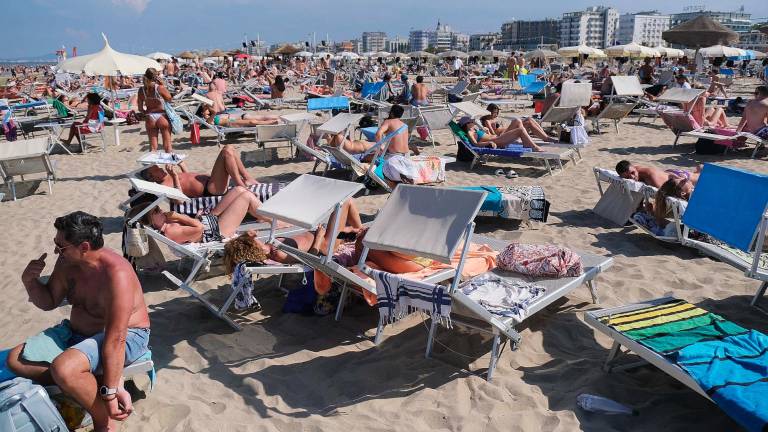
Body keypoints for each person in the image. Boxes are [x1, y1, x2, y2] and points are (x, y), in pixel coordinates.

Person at [7, 212, 151, 432]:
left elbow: (116, 338)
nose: (56, 250)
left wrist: (110, 393)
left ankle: (103, 421)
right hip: (77, 334)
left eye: (61, 246)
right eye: (56, 243)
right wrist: (30, 282)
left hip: (127, 335)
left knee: (64, 369)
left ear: (84, 247)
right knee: (15, 360)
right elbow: (49, 301)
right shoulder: (67, 263)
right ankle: (89, 383)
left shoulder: (117, 274)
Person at [137, 186, 269, 244]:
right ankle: (275, 221)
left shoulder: (168, 223)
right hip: (218, 232)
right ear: (151, 221)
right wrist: (177, 216)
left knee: (238, 190)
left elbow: (193, 227)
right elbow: (199, 229)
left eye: (158, 208)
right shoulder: (171, 230)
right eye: (156, 211)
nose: (160, 210)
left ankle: (263, 216)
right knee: (246, 197)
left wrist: (196, 217)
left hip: (210, 221)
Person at [140, 145, 258, 197]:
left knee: (230, 148)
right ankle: (240, 185)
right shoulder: (164, 184)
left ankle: (247, 178)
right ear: (152, 177)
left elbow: (188, 178)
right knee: (226, 152)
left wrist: (181, 164)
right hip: (211, 189)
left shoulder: (167, 176)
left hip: (211, 181)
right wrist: (174, 176)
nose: (160, 168)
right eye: (156, 169)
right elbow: (178, 200)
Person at [137, 68, 173, 153]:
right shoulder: (159, 88)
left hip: (150, 117)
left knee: (153, 148)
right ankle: (169, 165)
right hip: (162, 116)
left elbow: (140, 108)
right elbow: (169, 99)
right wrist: (163, 86)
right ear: (156, 76)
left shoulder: (141, 90)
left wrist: (146, 112)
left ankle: (154, 166)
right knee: (167, 146)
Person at [480, 103, 557, 142]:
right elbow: (493, 135)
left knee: (529, 120)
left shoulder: (493, 119)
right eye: (494, 112)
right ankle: (546, 138)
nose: (496, 114)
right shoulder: (487, 121)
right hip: (504, 135)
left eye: (497, 112)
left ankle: (545, 137)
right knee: (517, 120)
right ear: (489, 112)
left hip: (509, 131)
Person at [459, 116, 543, 151]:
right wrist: (488, 143)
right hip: (497, 140)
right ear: (467, 124)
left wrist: (487, 131)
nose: (473, 121)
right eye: (471, 121)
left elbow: (486, 136)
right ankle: (533, 146)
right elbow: (476, 144)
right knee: (520, 129)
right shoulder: (470, 132)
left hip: (498, 137)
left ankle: (526, 142)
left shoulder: (475, 130)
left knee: (519, 121)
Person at [615, 160, 701, 188]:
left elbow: (663, 194)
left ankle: (700, 168)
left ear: (634, 167)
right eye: (627, 177)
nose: (632, 177)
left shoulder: (651, 176)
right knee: (697, 173)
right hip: (667, 173)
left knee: (701, 178)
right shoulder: (634, 169)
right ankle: (699, 169)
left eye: (633, 173)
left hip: (679, 178)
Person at [196, 104, 279, 128]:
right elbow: (214, 112)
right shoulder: (208, 121)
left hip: (237, 117)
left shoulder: (211, 117)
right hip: (231, 122)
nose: (208, 110)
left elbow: (214, 111)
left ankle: (279, 118)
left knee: (261, 117)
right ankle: (273, 123)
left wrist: (206, 106)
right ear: (203, 112)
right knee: (252, 122)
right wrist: (206, 106)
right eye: (206, 109)